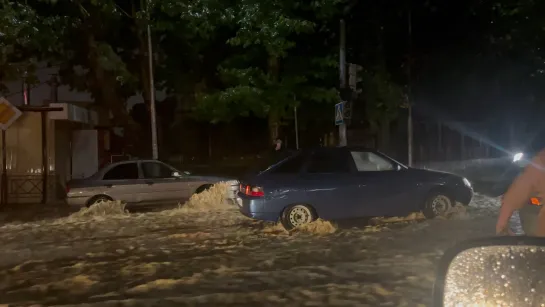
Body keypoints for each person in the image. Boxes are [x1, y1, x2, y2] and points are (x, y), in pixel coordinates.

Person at [496, 149, 545, 236]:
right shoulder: (539, 165)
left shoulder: (539, 164)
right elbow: (516, 195)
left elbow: (514, 196)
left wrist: (502, 224)